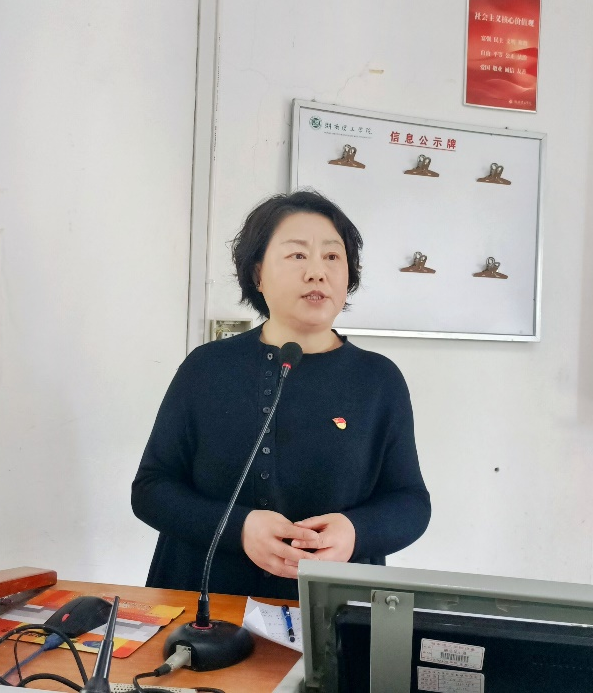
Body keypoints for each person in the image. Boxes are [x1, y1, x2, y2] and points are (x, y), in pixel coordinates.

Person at [131, 190, 431, 600]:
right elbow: (151, 490)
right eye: (297, 255)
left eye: (332, 256)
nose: (317, 272)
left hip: (330, 606)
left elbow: (410, 502)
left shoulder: (378, 379)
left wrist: (355, 532)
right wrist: (239, 528)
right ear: (257, 274)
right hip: (205, 604)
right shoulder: (206, 367)